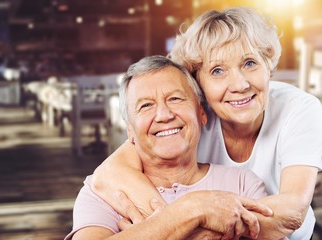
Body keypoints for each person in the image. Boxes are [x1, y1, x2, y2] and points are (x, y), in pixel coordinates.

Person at [91, 6, 322, 240]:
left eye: (250, 63)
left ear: (268, 66)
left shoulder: (300, 109)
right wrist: (183, 217)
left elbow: (292, 210)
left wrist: (176, 230)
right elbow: (108, 175)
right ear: (197, 81)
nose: (240, 84)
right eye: (218, 70)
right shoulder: (190, 117)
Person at [65, 55, 274, 240]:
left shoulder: (243, 184)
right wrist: (191, 209)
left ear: (201, 113)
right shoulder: (104, 191)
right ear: (130, 132)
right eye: (146, 105)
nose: (164, 115)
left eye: (175, 99)